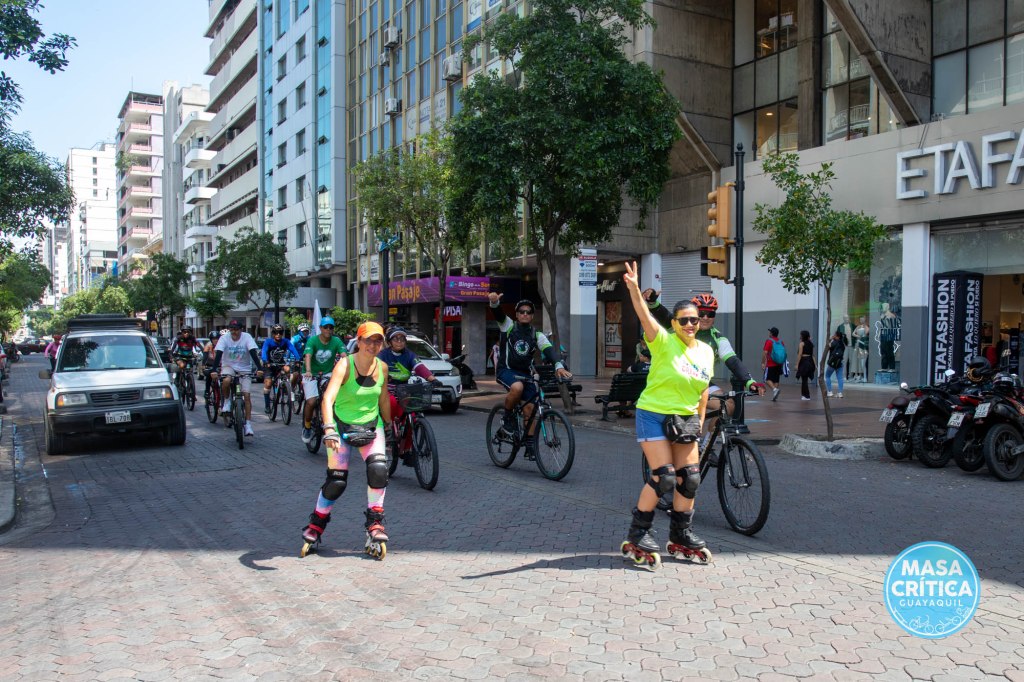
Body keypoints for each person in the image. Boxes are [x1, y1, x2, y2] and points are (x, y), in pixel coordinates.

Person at [619, 261, 714, 569]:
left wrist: (700, 421)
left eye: (694, 320)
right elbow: (644, 315)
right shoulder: (662, 341)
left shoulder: (706, 351)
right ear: (674, 322)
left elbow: (703, 390)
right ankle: (638, 535)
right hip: (653, 414)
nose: (690, 325)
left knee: (691, 479)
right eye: (684, 320)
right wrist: (634, 289)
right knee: (664, 478)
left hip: (685, 418)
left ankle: (681, 534)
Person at [644, 291, 765, 476]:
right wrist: (653, 302)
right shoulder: (682, 328)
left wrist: (750, 382)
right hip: (675, 383)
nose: (706, 317)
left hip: (700, 382)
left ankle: (704, 446)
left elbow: (732, 361)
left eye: (711, 313)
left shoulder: (717, 338)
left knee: (727, 405)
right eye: (701, 313)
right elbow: (666, 317)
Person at [300, 321, 392, 558]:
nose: (373, 345)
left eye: (378, 341)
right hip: (341, 427)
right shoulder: (345, 364)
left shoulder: (382, 367)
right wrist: (329, 429)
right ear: (358, 342)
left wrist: (389, 425)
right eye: (368, 340)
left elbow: (383, 399)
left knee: (379, 470)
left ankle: (375, 523)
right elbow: (328, 399)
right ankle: (316, 524)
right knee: (336, 482)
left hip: (372, 426)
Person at [487, 292, 572, 443]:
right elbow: (498, 314)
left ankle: (530, 446)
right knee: (517, 387)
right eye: (522, 312)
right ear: (517, 314)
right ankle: (508, 419)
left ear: (532, 316)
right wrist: (494, 303)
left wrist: (558, 365)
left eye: (528, 312)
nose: (525, 314)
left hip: (525, 375)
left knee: (530, 411)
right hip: (506, 370)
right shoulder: (508, 326)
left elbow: (549, 351)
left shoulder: (536, 335)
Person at [377, 327, 439, 463]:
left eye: (402, 339)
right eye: (396, 338)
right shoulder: (383, 355)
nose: (399, 341)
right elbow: (375, 369)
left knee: (412, 417)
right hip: (387, 390)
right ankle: (389, 430)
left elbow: (419, 367)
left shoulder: (410, 355)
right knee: (391, 403)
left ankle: (406, 450)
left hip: (404, 390)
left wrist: (432, 379)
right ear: (389, 342)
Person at [212, 319, 263, 437]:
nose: (234, 332)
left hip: (244, 368)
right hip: (228, 366)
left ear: (241, 329)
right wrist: (214, 370)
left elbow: (253, 352)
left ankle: (248, 424)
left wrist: (260, 368)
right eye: (232, 329)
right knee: (226, 380)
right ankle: (227, 402)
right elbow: (219, 354)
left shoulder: (247, 337)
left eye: (236, 329)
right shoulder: (224, 338)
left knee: (246, 396)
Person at [301, 316, 347, 444]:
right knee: (311, 402)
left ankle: (330, 423)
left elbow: (344, 356)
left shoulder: (336, 341)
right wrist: (308, 371)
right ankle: (307, 426)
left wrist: (349, 369)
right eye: (326, 327)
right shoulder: (313, 340)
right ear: (321, 328)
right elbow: (308, 356)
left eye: (331, 327)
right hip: (310, 374)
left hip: (327, 373)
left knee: (333, 398)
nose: (328, 329)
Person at [260, 324, 301, 414]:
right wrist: (265, 361)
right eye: (276, 332)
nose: (278, 334)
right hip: (269, 365)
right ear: (273, 334)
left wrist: (298, 359)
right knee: (268, 383)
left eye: (280, 332)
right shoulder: (268, 342)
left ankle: (286, 387)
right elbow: (264, 351)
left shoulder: (285, 341)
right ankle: (267, 405)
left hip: (280, 364)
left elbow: (293, 350)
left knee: (287, 369)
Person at [761, 327, 785, 401]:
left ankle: (775, 390)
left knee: (766, 379)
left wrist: (763, 363)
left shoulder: (769, 341)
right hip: (779, 363)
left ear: (771, 333)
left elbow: (765, 352)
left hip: (770, 363)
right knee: (776, 380)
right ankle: (775, 394)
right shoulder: (781, 342)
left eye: (770, 332)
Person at [824, 330, 846, 398]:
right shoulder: (842, 344)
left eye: (835, 335)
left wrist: (830, 339)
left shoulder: (834, 342)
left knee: (827, 376)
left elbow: (827, 347)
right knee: (840, 378)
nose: (833, 335)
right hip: (839, 362)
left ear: (837, 336)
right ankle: (840, 393)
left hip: (832, 363)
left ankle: (830, 392)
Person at [795, 330, 815, 401]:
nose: (800, 336)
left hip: (804, 361)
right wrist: (815, 364)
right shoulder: (810, 344)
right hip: (810, 361)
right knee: (805, 379)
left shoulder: (801, 344)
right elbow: (813, 355)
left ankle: (806, 395)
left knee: (804, 379)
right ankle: (805, 395)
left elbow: (800, 354)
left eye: (801, 335)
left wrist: (797, 364)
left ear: (803, 336)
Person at [201, 330, 221, 398]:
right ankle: (207, 391)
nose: (215, 340)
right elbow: (205, 356)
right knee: (209, 376)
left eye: (217, 339)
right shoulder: (208, 345)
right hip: (210, 365)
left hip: (220, 365)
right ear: (211, 339)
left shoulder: (222, 345)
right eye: (214, 339)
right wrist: (203, 365)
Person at [853, 316, 870, 382]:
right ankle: (860, 376)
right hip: (859, 344)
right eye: (860, 319)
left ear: (864, 320)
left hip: (863, 346)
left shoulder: (866, 327)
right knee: (859, 361)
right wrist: (858, 336)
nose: (861, 321)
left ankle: (864, 377)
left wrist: (861, 335)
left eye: (862, 319)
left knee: (863, 363)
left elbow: (866, 333)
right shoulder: (858, 327)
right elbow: (853, 333)